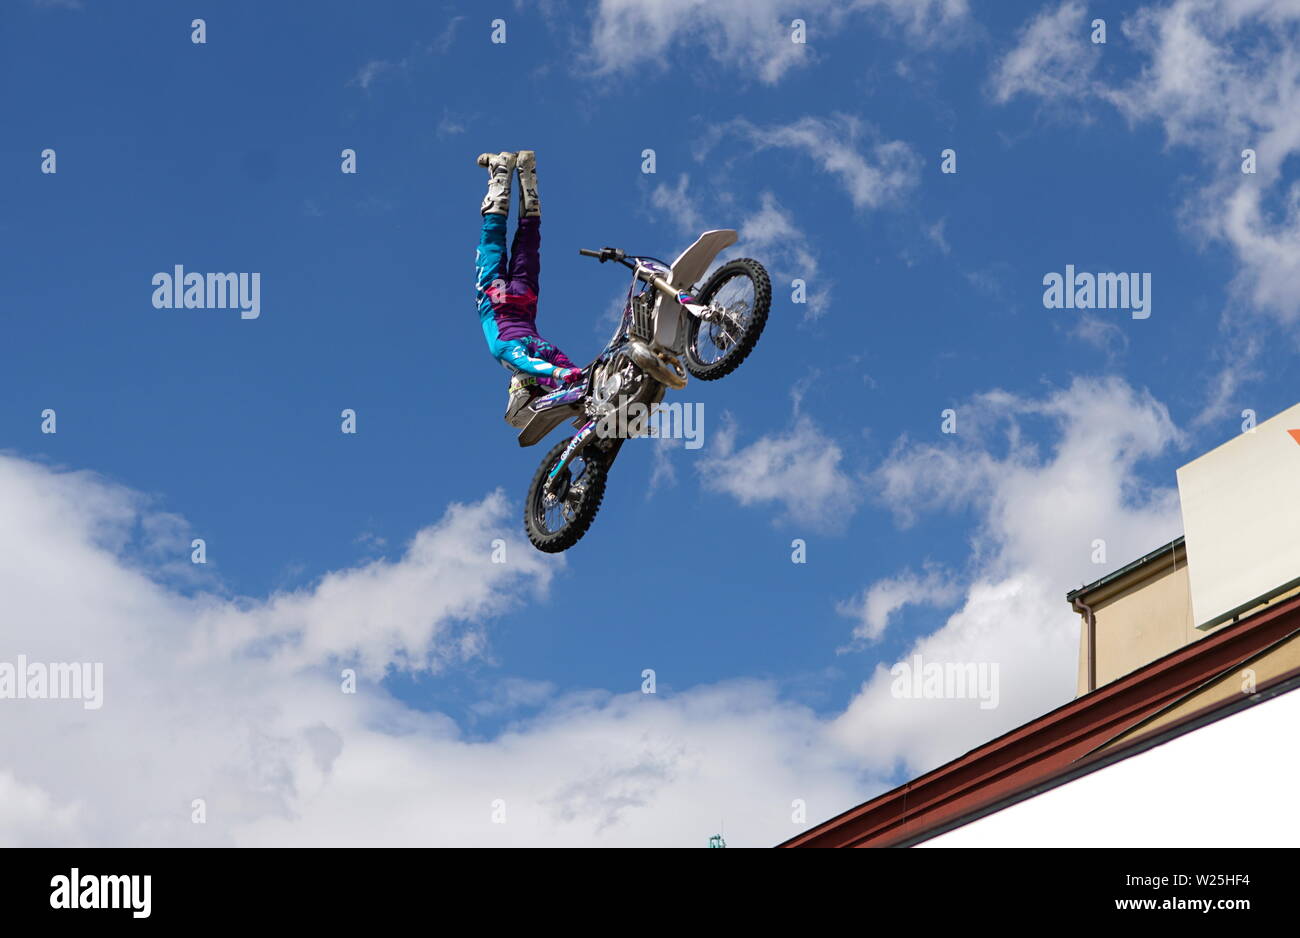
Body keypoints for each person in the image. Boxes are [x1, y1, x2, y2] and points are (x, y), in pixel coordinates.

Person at [474, 150, 582, 427]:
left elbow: (539, 365)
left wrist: (565, 375)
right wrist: (569, 377)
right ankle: (505, 173)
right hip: (497, 296)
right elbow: (539, 366)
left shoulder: (522, 351)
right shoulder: (511, 351)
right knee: (497, 242)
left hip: (519, 296)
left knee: (526, 243)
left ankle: (523, 172)